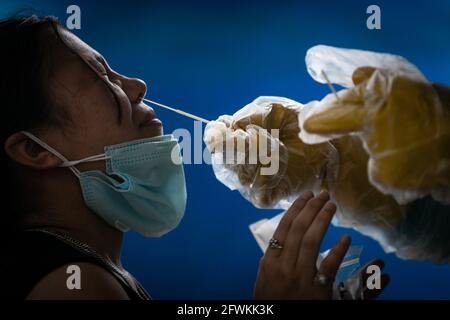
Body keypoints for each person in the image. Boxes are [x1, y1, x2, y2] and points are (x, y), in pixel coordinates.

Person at [0, 15, 388, 300]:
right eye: (100, 76)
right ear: (34, 149)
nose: (137, 86)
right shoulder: (75, 286)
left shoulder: (76, 270)